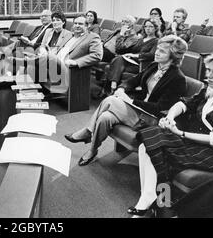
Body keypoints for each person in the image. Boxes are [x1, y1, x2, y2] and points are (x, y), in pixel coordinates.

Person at [128, 53, 213, 217]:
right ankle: (150, 198)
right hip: (191, 141)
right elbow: (184, 103)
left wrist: (181, 133)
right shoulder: (209, 90)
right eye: (208, 70)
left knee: (155, 149)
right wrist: (170, 117)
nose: (208, 75)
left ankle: (155, 201)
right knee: (148, 144)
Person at [65, 35, 188, 167]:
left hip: (152, 118)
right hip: (137, 111)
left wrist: (130, 100)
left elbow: (159, 108)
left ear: (173, 56)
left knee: (111, 100)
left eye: (162, 51)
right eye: (157, 49)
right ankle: (92, 150)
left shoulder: (177, 78)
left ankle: (88, 131)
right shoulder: (154, 66)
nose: (156, 52)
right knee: (105, 117)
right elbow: (133, 80)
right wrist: (123, 88)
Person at [27, 14, 102, 93]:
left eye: (80, 24)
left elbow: (97, 55)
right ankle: (32, 92)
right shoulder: (71, 35)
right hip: (55, 63)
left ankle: (26, 60)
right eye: (75, 23)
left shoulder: (92, 37)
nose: (77, 26)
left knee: (49, 58)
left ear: (87, 26)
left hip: (67, 68)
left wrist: (76, 62)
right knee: (33, 65)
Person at [106, 19, 160, 93]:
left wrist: (135, 56)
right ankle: (114, 85)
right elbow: (131, 49)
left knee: (116, 64)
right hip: (131, 62)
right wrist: (123, 38)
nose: (147, 28)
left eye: (151, 26)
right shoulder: (141, 39)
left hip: (142, 65)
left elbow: (151, 55)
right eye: (146, 26)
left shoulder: (156, 41)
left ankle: (112, 86)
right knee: (118, 59)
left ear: (156, 28)